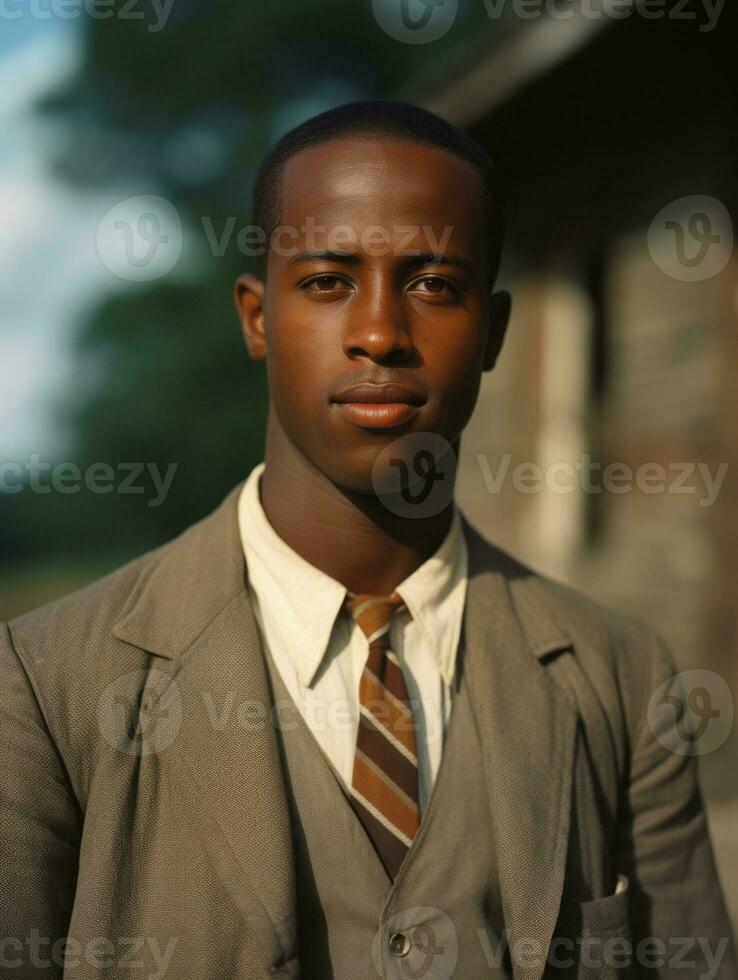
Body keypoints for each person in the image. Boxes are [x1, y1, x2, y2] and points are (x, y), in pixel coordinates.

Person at [1, 100, 734, 980]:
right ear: (257, 316)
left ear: (494, 333)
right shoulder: (45, 686)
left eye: (434, 284)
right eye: (326, 281)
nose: (381, 332)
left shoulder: (622, 678)